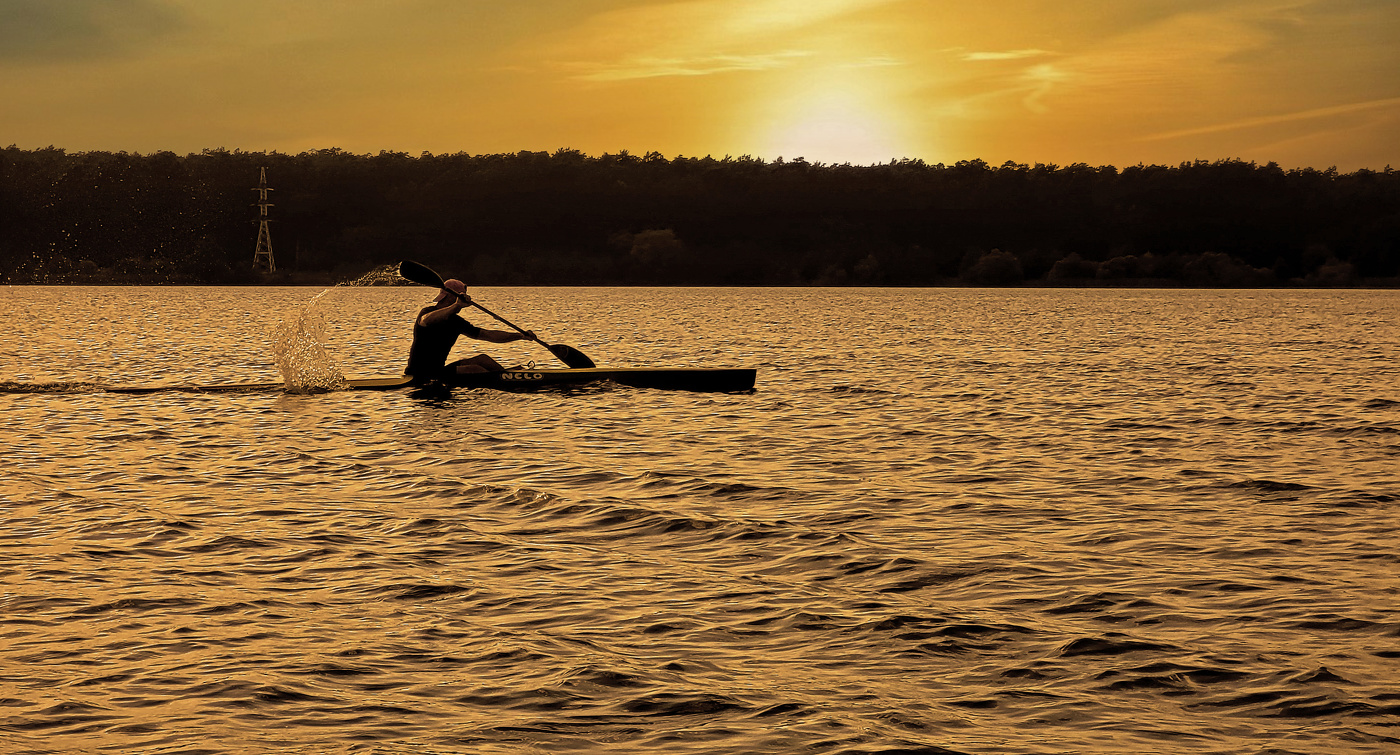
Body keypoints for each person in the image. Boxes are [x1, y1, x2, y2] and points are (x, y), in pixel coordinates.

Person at [404, 278, 533, 382]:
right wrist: (456, 306)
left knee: (483, 359)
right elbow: (427, 320)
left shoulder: (456, 322)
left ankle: (507, 378)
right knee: (474, 369)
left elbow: (487, 335)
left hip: (439, 370)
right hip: (420, 373)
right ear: (449, 296)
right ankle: (500, 380)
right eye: (461, 296)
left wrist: (520, 336)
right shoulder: (427, 312)